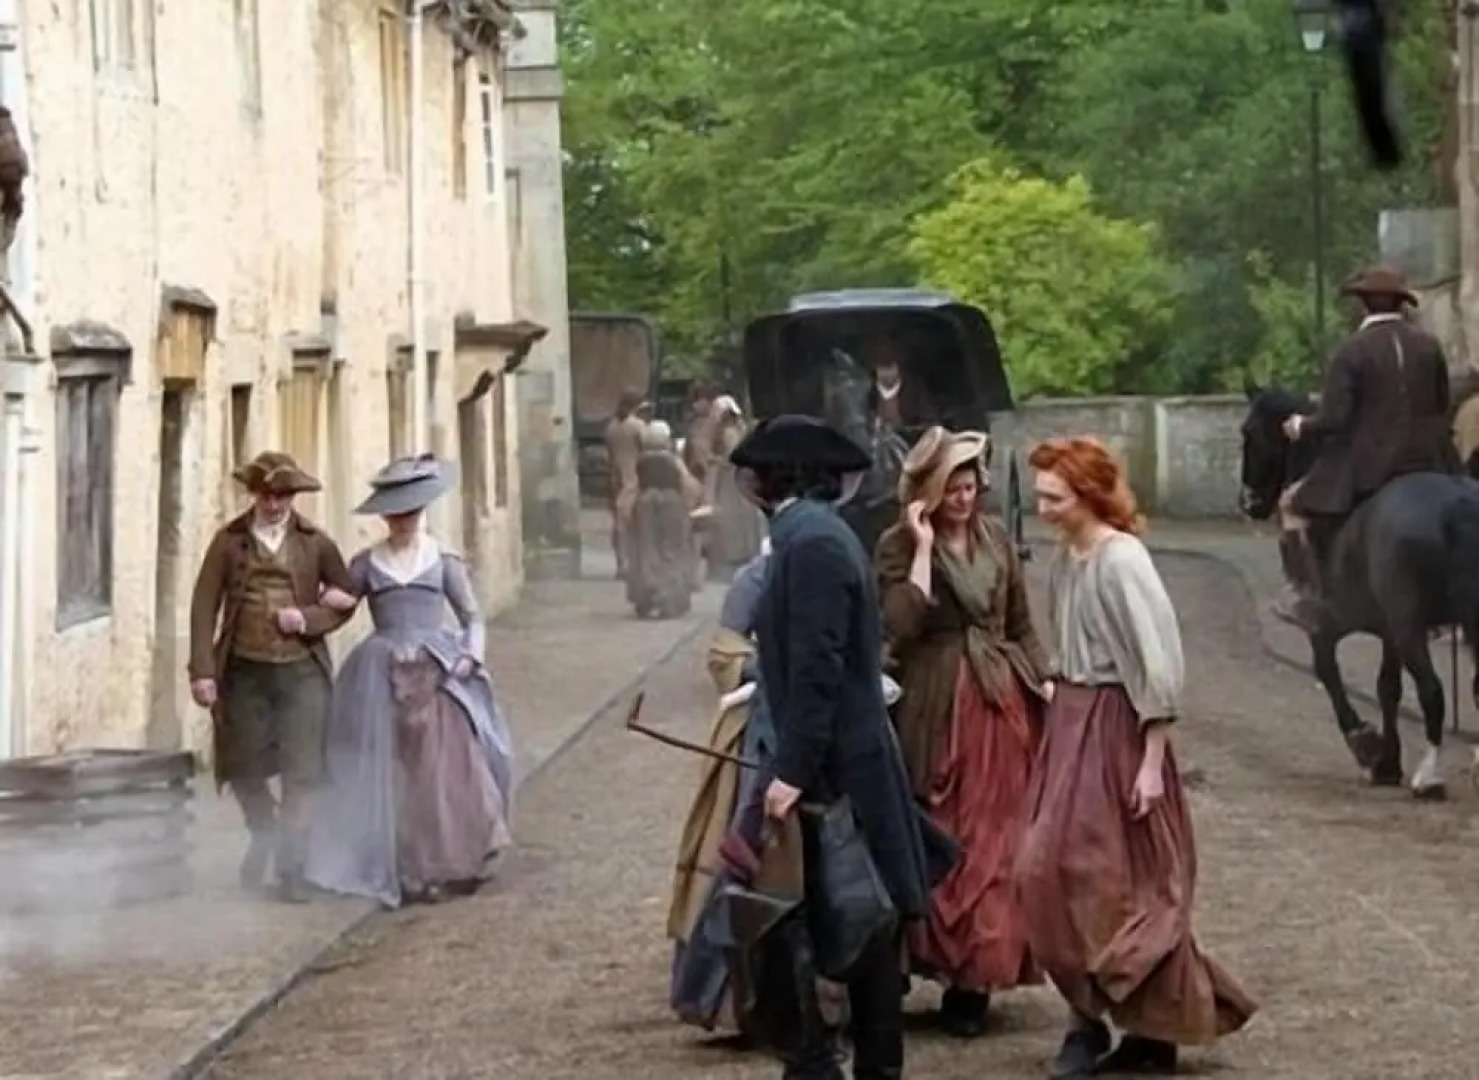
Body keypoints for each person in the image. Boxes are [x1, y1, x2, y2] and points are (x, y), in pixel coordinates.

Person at [1017, 436, 1257, 1077]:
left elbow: (1158, 662)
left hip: (1117, 727)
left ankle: (1149, 1030)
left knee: (1120, 882)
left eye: (1054, 497)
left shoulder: (1123, 560)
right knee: (1040, 872)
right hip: (1071, 720)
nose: (1043, 508)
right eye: (1038, 495)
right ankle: (1089, 1017)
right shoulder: (1068, 556)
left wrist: (1151, 761)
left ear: (1088, 495)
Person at [728, 414, 932, 1080]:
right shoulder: (806, 535)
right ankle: (821, 1064)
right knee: (837, 916)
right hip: (835, 755)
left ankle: (838, 1066)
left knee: (851, 917)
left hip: (836, 764)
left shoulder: (810, 542)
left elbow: (818, 666)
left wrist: (789, 771)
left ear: (770, 479)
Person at [873, 426, 1049, 1038]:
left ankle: (976, 978)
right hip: (936, 705)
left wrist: (1045, 682)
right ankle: (934, 960)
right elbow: (898, 627)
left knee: (997, 839)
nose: (966, 496)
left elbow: (1021, 621)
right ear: (928, 492)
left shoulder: (997, 539)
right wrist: (923, 548)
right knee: (942, 833)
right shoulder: (898, 546)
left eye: (972, 485)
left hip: (1000, 704)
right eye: (954, 486)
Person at [303, 454, 514, 908]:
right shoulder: (366, 563)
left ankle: (450, 862)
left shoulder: (443, 560)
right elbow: (340, 608)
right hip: (379, 671)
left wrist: (469, 658)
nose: (402, 522)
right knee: (387, 772)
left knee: (440, 771)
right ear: (384, 517)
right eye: (395, 515)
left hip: (436, 670)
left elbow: (472, 616)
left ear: (422, 512)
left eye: (410, 513)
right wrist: (310, 616)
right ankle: (404, 866)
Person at [187, 451, 355, 902]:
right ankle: (265, 833)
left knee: (303, 770)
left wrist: (309, 619)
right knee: (242, 767)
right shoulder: (229, 542)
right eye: (266, 494)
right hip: (244, 671)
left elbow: (347, 596)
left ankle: (292, 864)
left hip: (302, 674)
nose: (275, 504)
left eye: (283, 495)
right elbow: (204, 606)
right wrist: (203, 671)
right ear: (254, 495)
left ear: (294, 497)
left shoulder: (315, 542)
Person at [1277, 265, 1456, 630]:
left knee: (1292, 505)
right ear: (1401, 305)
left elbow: (1335, 419)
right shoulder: (1429, 345)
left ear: (1362, 305)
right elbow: (1441, 404)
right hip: (1432, 461)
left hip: (1373, 465)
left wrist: (1300, 425)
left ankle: (1315, 598)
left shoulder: (1352, 350)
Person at [668, 540, 776, 1034]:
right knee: (742, 849)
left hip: (821, 727)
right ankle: (735, 994)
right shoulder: (756, 577)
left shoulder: (838, 563)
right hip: (759, 736)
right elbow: (724, 652)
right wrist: (772, 671)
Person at [627, 420, 702, 619]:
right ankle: (669, 597)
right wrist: (691, 504)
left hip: (645, 503)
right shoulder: (672, 460)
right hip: (671, 503)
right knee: (672, 550)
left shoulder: (641, 461)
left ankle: (648, 591)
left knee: (647, 547)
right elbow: (688, 484)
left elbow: (632, 486)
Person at [704, 395, 767, 580]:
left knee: (733, 517)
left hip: (732, 481)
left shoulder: (730, 432)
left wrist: (715, 461)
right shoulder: (739, 430)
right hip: (737, 478)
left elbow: (732, 457)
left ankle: (737, 555)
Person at [605, 389, 651, 579]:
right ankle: (633, 563)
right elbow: (648, 449)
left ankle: (621, 562)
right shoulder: (638, 426)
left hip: (615, 478)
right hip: (635, 478)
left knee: (619, 523)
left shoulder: (611, 426)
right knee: (634, 524)